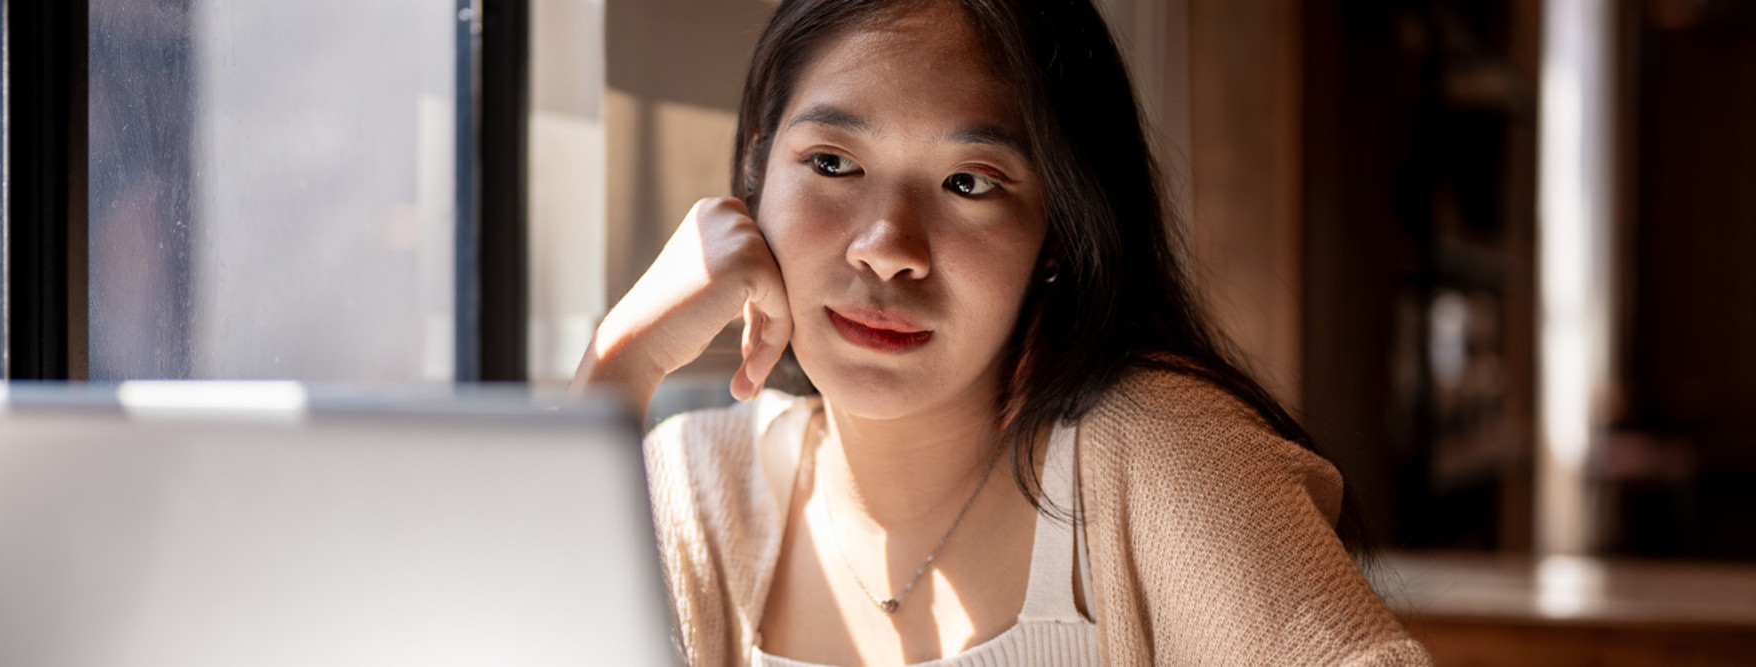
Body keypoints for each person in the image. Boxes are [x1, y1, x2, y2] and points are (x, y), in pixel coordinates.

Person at [573, 0, 1433, 664]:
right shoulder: (692, 488)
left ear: (1058, 232)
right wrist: (623, 360)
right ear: (758, 175)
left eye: (968, 183)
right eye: (832, 164)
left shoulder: (1155, 454)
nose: (887, 250)